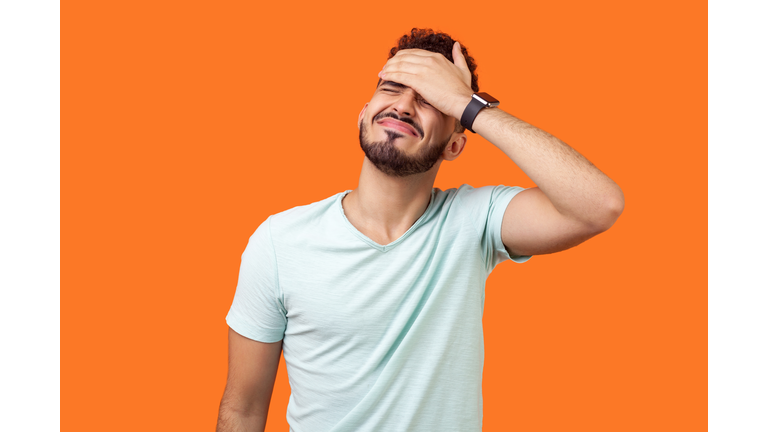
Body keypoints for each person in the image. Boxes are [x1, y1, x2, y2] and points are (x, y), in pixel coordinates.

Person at [216, 28, 624, 432]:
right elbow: (244, 409)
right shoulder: (279, 242)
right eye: (393, 87)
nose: (404, 106)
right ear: (363, 113)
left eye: (430, 98)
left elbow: (598, 205)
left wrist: (469, 105)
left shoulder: (473, 221)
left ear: (454, 145)